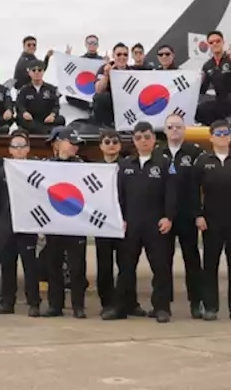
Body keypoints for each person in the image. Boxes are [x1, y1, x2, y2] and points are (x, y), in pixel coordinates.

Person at [108, 121, 176, 323]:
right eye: (138, 138)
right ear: (134, 141)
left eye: (147, 137)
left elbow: (172, 192)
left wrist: (168, 216)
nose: (143, 141)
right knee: (126, 268)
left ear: (154, 139)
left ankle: (161, 308)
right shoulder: (125, 165)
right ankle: (121, 307)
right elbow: (117, 195)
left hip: (156, 224)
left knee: (161, 268)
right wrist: (120, 218)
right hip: (131, 224)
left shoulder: (164, 163)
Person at [194, 119, 231, 321]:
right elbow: (193, 190)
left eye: (225, 133)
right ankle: (211, 307)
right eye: (217, 133)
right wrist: (198, 214)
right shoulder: (203, 161)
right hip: (211, 219)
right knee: (210, 264)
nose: (221, 137)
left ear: (230, 136)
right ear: (210, 137)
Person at [161, 113, 205, 319]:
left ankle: (196, 303)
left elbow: (199, 186)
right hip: (165, 217)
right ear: (165, 131)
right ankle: (163, 304)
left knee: (192, 260)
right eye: (170, 127)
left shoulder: (194, 153)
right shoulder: (158, 153)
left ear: (185, 129)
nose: (174, 131)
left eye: (178, 127)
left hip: (187, 215)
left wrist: (198, 213)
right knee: (163, 261)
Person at [42, 128, 88, 319]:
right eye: (72, 143)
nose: (75, 147)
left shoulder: (83, 166)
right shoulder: (46, 166)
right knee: (53, 265)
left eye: (77, 144)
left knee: (77, 267)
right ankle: (55, 305)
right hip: (54, 222)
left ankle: (78, 305)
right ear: (57, 143)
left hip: (76, 222)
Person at [0, 133, 41, 316]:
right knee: (7, 265)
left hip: (28, 223)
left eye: (22, 145)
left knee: (30, 265)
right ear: (10, 150)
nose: (19, 149)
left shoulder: (36, 170)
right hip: (6, 223)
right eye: (15, 146)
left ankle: (34, 303)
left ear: (28, 148)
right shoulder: (3, 171)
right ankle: (7, 302)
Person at [93, 128, 122, 316]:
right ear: (101, 146)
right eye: (107, 142)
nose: (111, 145)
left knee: (126, 265)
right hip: (102, 222)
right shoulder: (93, 169)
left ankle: (127, 301)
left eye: (114, 141)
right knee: (104, 265)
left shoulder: (128, 166)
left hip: (123, 222)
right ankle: (106, 302)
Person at [197, 31, 231, 126]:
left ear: (223, 42)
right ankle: (218, 127)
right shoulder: (207, 65)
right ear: (208, 45)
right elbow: (203, 90)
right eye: (211, 42)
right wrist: (201, 81)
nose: (215, 44)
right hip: (220, 100)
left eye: (217, 41)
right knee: (199, 110)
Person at [15, 61, 63, 136]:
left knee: (61, 119)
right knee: (20, 119)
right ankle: (46, 131)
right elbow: (19, 105)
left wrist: (52, 115)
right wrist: (24, 112)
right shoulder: (23, 90)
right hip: (31, 119)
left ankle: (42, 130)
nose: (37, 72)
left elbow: (56, 106)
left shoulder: (52, 89)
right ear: (29, 73)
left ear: (43, 72)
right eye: (34, 70)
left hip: (46, 119)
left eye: (39, 70)